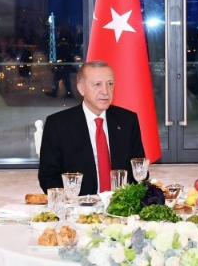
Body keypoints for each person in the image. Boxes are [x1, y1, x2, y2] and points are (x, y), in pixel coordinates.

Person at [38, 60, 146, 196]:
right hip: (78, 204)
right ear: (81, 88)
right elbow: (48, 177)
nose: (105, 91)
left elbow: (139, 170)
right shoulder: (57, 124)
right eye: (97, 84)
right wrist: (73, 202)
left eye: (110, 84)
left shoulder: (128, 120)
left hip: (120, 203)